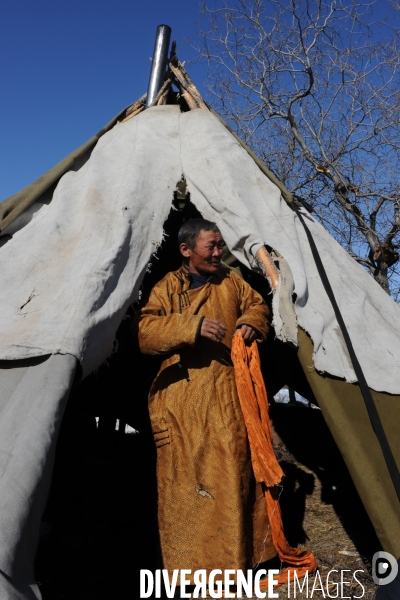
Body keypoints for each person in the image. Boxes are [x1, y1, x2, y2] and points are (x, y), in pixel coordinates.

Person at [136, 218, 276, 584]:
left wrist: (250, 321)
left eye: (220, 246)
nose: (218, 253)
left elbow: (257, 304)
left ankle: (238, 562)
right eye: (210, 247)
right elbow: (145, 334)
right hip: (184, 402)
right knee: (190, 484)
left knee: (235, 474)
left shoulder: (230, 280)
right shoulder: (167, 287)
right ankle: (195, 570)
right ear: (186, 250)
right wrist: (190, 326)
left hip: (228, 395)